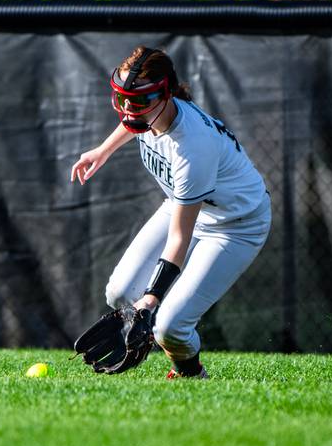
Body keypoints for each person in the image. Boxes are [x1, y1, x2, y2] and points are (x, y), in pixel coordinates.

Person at [70, 46, 271, 379]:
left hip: (236, 225)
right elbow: (134, 121)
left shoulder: (192, 145)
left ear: (164, 94)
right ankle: (155, 329)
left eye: (137, 101)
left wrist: (150, 301)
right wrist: (103, 150)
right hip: (186, 206)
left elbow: (180, 238)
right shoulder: (151, 112)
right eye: (122, 99)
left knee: (170, 328)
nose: (128, 110)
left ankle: (190, 373)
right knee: (119, 293)